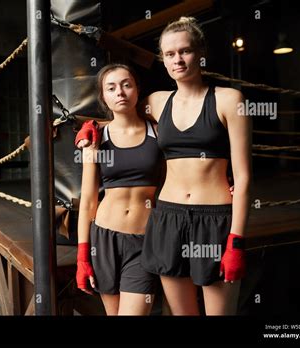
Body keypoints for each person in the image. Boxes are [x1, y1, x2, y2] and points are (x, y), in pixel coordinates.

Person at [76, 17, 251, 315]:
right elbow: (123, 111)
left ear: (200, 53)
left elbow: (245, 176)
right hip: (167, 219)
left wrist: (236, 241)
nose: (178, 59)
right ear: (163, 59)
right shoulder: (156, 102)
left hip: (214, 219)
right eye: (169, 54)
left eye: (185, 51)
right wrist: (91, 126)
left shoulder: (230, 100)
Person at [75, 63, 164, 315]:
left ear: (137, 89)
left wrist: (226, 183)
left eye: (127, 85)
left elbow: (177, 177)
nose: (120, 92)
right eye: (111, 88)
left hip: (144, 241)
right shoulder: (95, 138)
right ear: (103, 97)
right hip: (103, 239)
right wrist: (83, 256)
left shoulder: (157, 133)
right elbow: (89, 200)